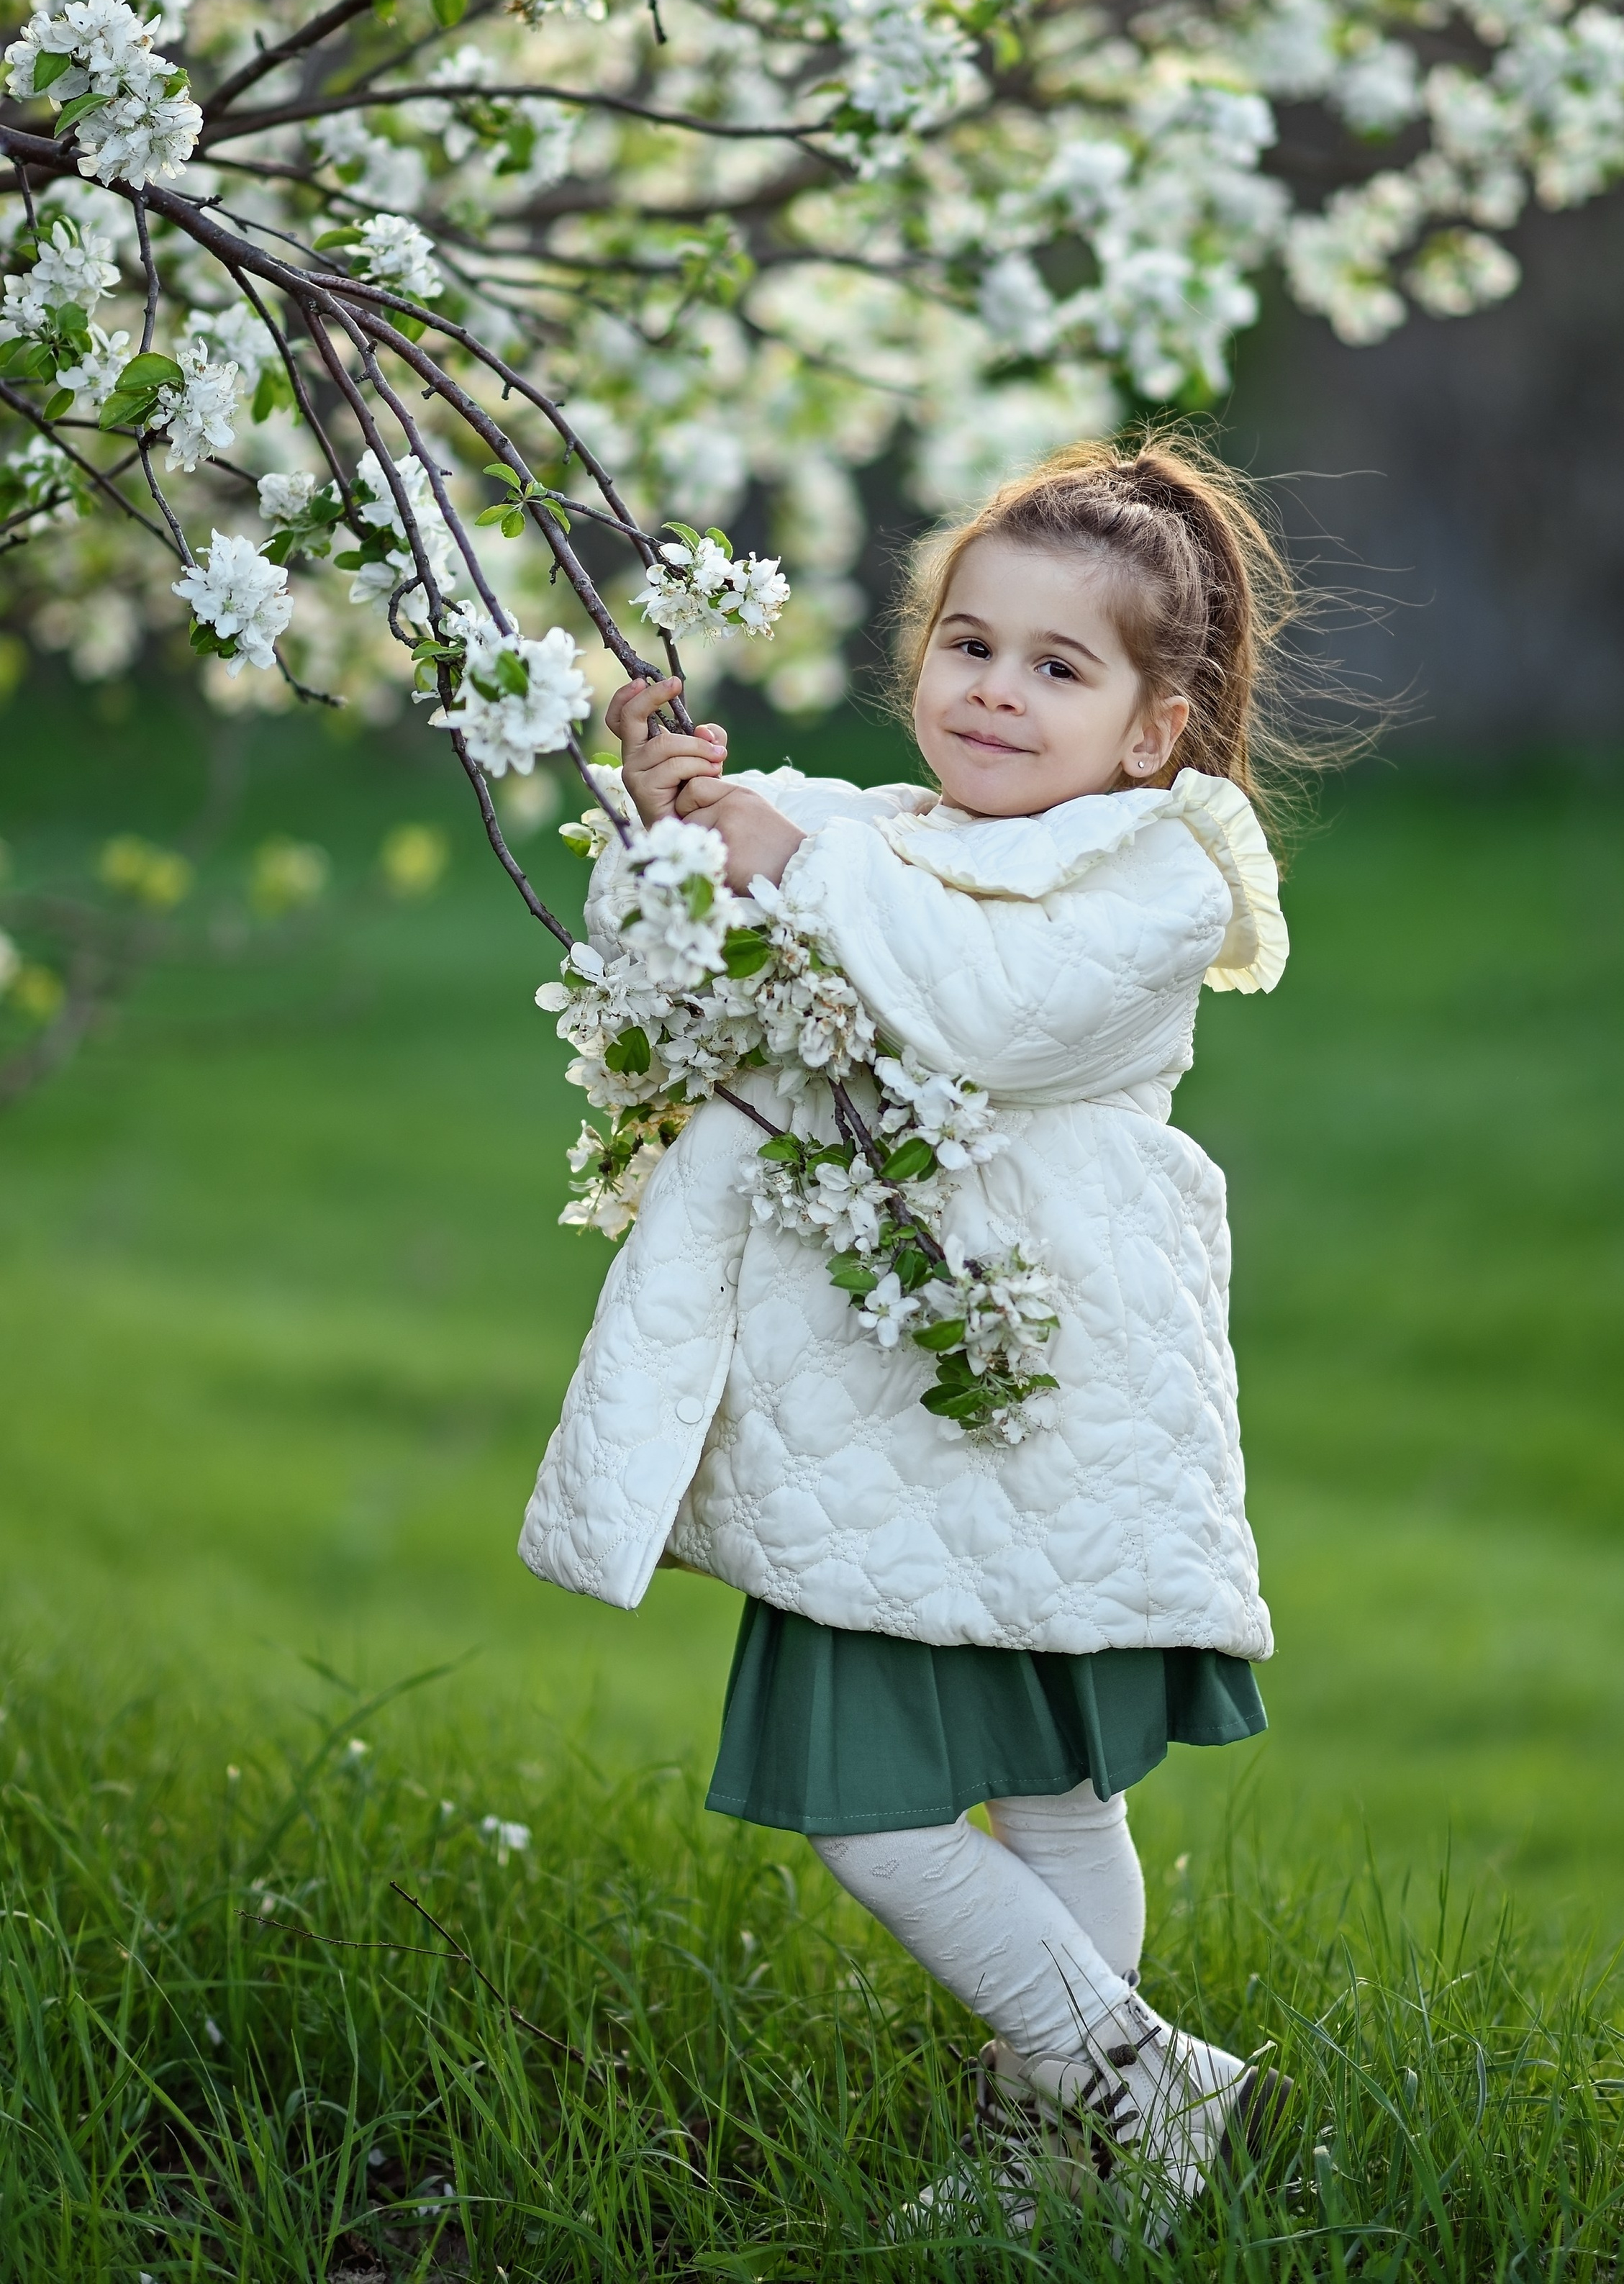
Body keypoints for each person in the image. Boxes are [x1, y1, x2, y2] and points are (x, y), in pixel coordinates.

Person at [520, 438, 1303, 2237]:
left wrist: (787, 854)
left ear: (1152, 729)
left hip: (1036, 1395)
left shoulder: (1156, 879)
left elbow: (983, 1016)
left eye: (1057, 667)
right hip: (901, 1414)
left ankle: (1130, 2100)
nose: (996, 692)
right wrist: (680, 815)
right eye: (970, 645)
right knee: (1016, 1794)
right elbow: (762, 904)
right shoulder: (894, 833)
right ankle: (1089, 2152)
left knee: (956, 1803)